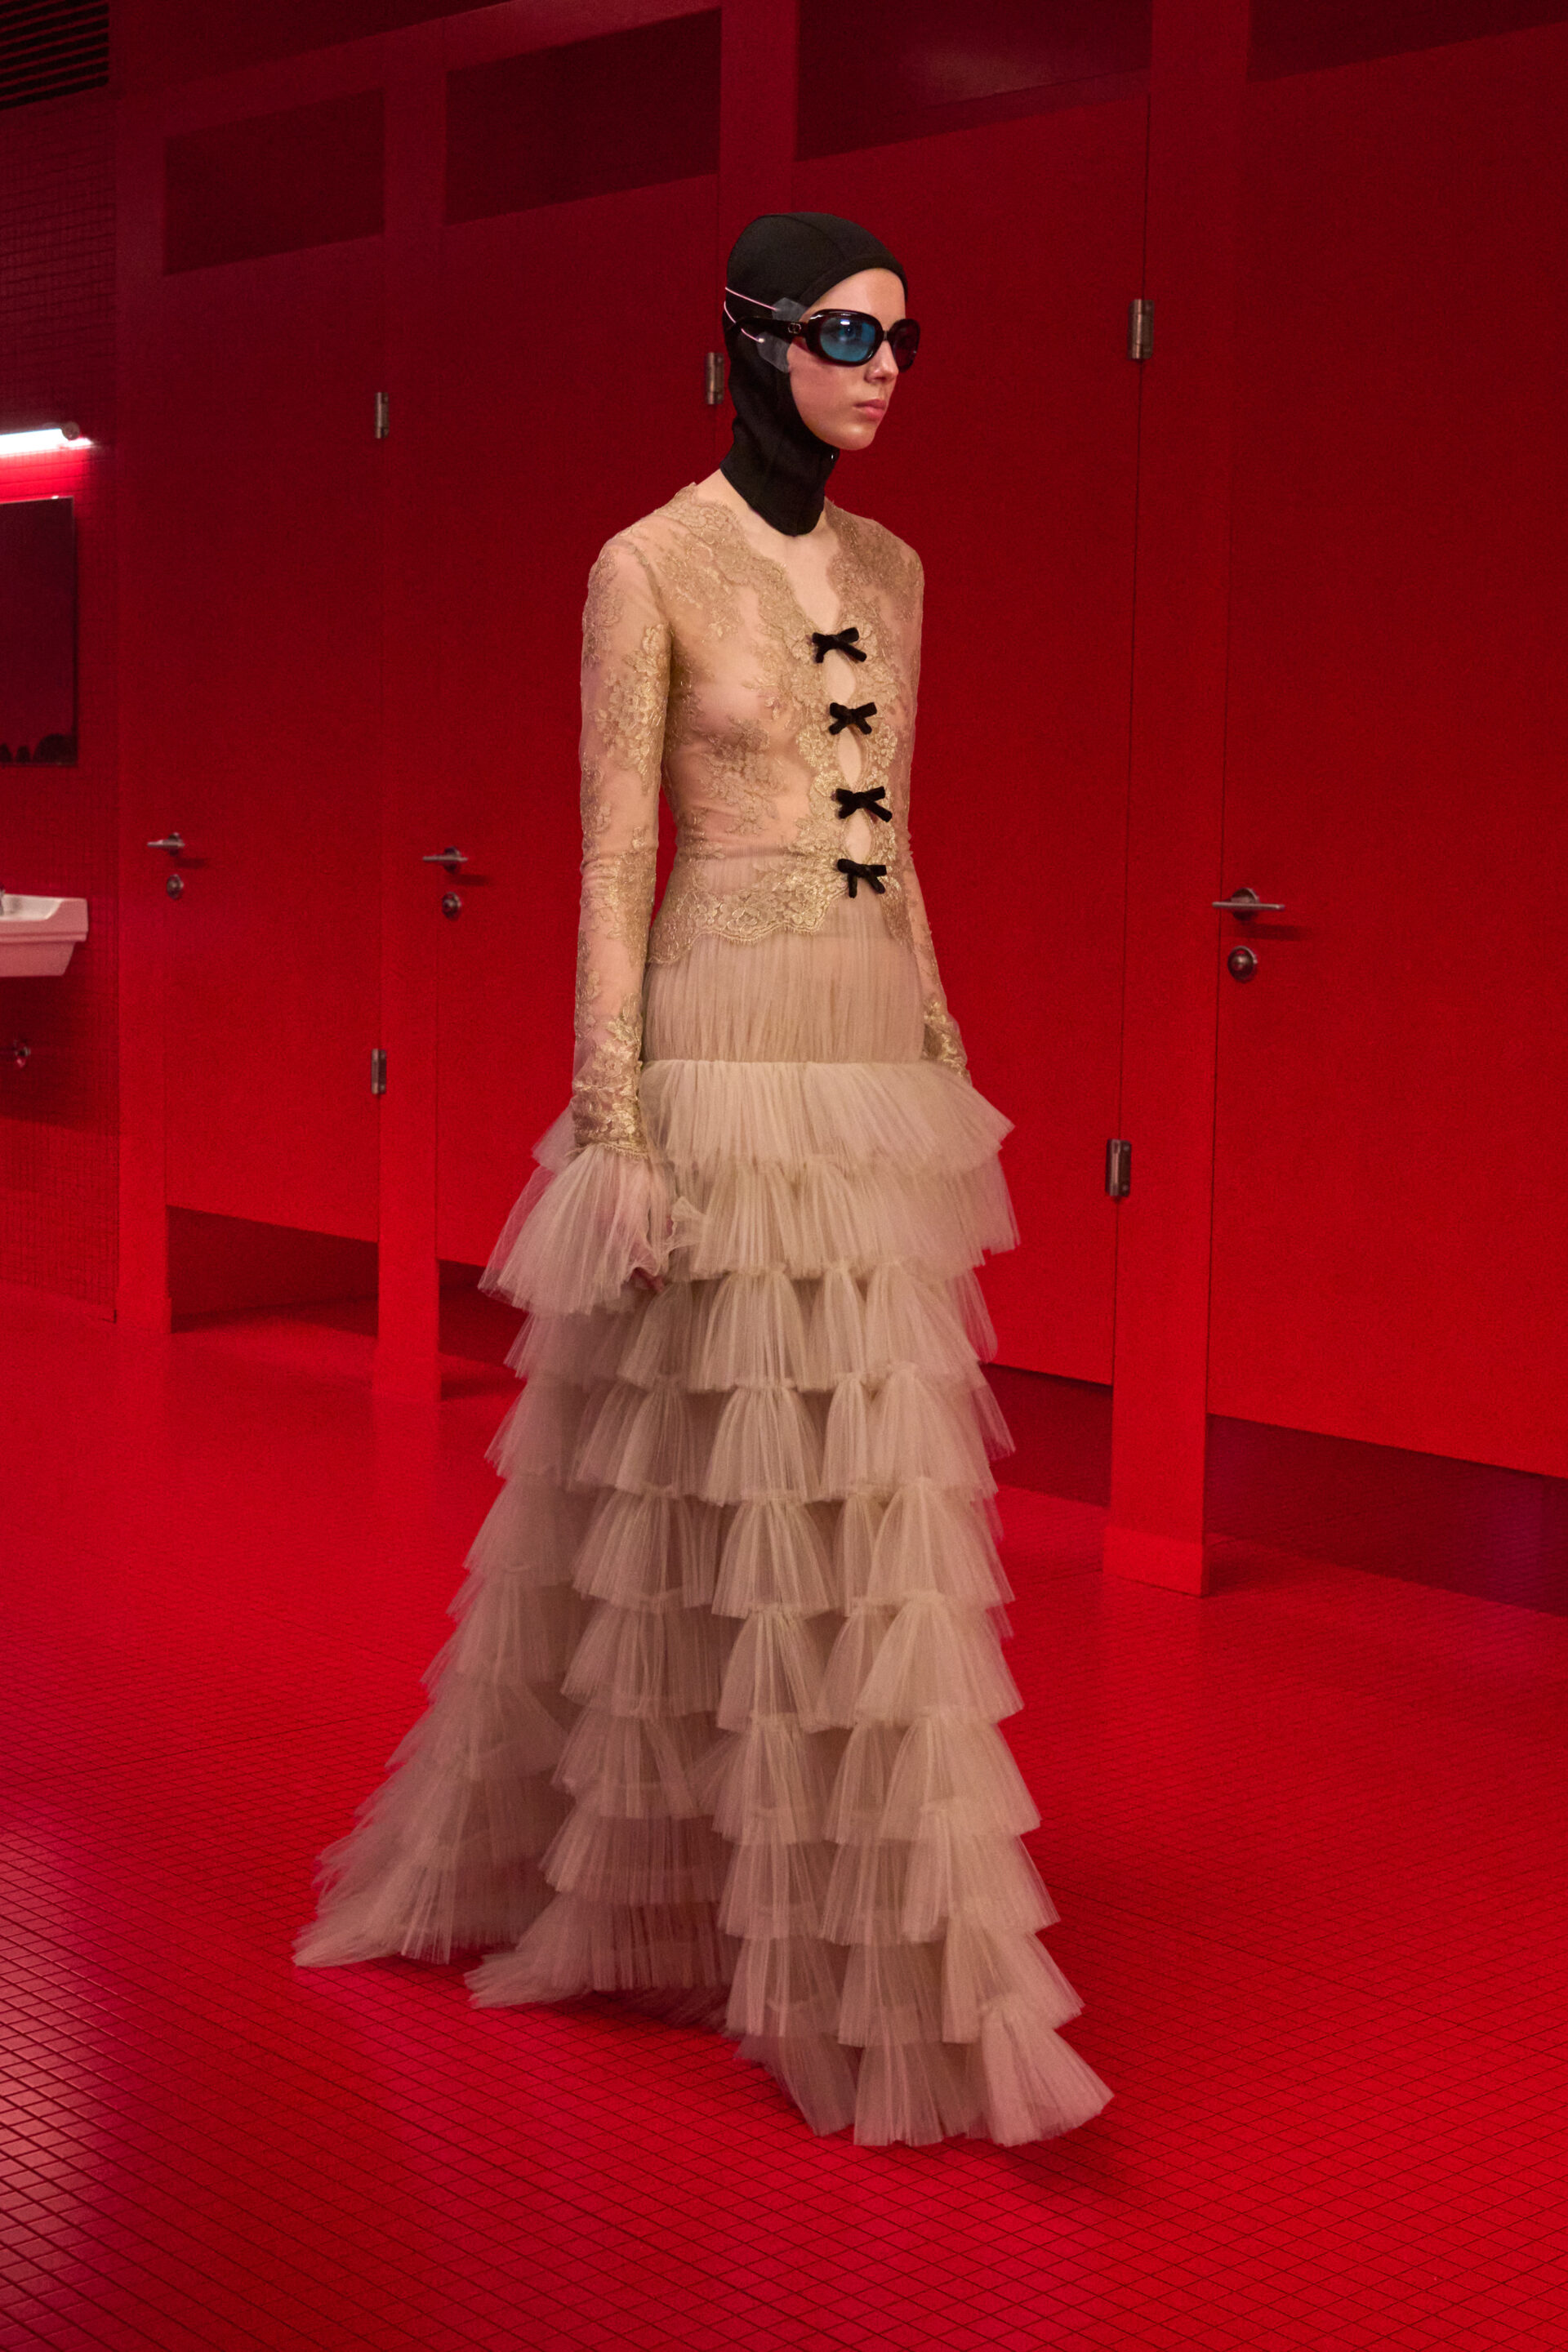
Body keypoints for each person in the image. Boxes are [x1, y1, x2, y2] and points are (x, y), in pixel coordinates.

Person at [298, 211, 1111, 2150]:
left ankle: (877, 1946)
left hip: (858, 1051)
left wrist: (937, 1055)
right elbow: (611, 859)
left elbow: (894, 840)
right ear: (752, 341)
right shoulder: (646, 564)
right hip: (717, 1043)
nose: (881, 369)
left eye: (905, 337)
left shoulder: (898, 571)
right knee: (693, 1488)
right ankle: (672, 1897)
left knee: (869, 1504)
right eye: (845, 333)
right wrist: (619, 1126)